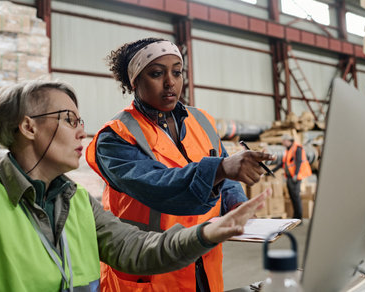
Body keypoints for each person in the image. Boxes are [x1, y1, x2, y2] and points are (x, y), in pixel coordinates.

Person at [0, 80, 271, 292]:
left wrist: (205, 233)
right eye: (68, 120)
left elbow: (136, 249)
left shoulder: (78, 201)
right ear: (28, 127)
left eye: (80, 121)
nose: (82, 132)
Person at [86, 37, 276, 292]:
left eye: (177, 72)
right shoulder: (116, 137)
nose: (170, 82)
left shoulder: (203, 121)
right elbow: (158, 186)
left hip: (203, 264)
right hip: (150, 272)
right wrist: (220, 168)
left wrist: (237, 203)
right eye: (156, 73)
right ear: (135, 81)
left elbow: (225, 174)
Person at [271, 134, 312, 219]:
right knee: (293, 197)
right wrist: (272, 171)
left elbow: (299, 161)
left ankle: (299, 218)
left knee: (296, 197)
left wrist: (296, 175)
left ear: (287, 140)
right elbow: (283, 163)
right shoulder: (288, 150)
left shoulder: (297, 148)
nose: (283, 143)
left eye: (283, 141)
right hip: (290, 177)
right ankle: (295, 216)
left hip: (296, 177)